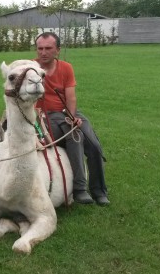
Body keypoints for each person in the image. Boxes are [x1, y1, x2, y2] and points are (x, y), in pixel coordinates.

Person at [33, 32, 110, 206]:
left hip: (68, 111)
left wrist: (72, 116)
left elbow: (71, 97)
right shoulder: (31, 68)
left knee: (94, 146)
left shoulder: (66, 68)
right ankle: (79, 189)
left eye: (48, 48)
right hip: (45, 115)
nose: (43, 52)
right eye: (40, 48)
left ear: (57, 50)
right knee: (75, 137)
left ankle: (99, 190)